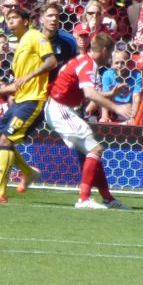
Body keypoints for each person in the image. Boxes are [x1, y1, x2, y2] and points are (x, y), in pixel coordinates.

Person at [0, 7, 58, 203]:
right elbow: (20, 82)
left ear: (25, 21)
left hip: (33, 100)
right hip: (20, 100)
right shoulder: (21, 44)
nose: (10, 22)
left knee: (6, 140)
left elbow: (52, 62)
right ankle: (28, 171)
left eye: (14, 18)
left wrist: (29, 76)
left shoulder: (35, 37)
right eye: (8, 19)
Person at [44, 31, 130, 208]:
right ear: (105, 50)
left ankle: (108, 199)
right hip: (60, 108)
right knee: (95, 150)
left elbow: (84, 94)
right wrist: (117, 107)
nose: (110, 57)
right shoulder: (88, 64)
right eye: (111, 52)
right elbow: (89, 93)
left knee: (92, 152)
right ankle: (84, 199)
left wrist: (110, 94)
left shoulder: (85, 62)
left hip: (63, 107)